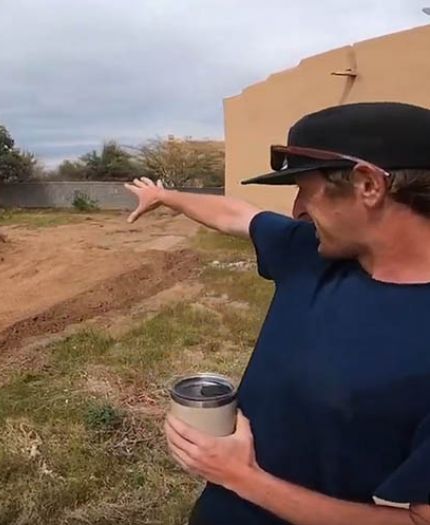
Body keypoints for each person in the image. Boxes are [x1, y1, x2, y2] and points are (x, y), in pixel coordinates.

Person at [126, 101, 430, 525]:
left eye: (305, 189)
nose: (296, 211)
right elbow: (238, 215)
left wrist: (241, 477)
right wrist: (164, 196)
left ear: (367, 185)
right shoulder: (310, 251)